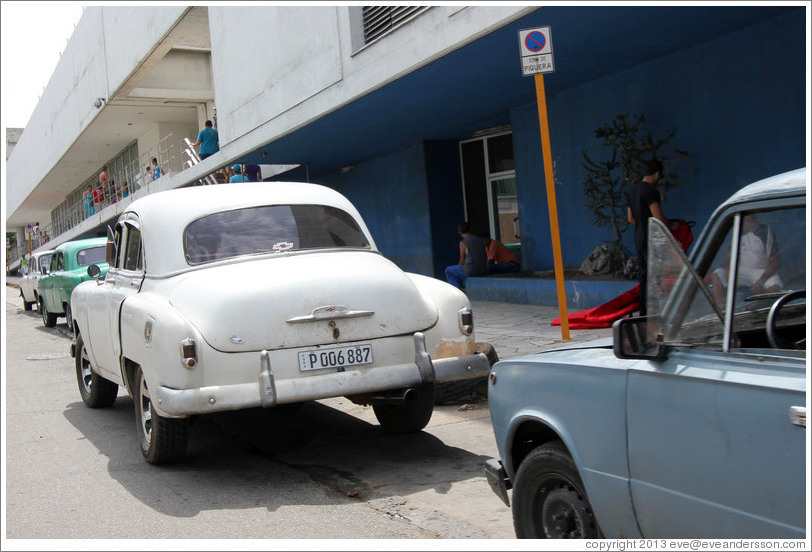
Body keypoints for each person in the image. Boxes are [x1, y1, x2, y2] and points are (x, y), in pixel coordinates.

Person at [627, 158, 675, 316]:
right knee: (655, 276)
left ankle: (644, 311)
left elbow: (630, 218)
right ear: (657, 174)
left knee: (644, 276)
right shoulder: (650, 192)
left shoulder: (633, 191)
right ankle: (653, 312)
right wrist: (672, 226)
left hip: (638, 237)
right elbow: (658, 219)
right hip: (652, 239)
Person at [711, 213, 782, 306]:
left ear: (748, 220)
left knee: (776, 285)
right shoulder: (738, 233)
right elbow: (728, 257)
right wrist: (729, 272)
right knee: (717, 274)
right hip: (741, 272)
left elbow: (776, 260)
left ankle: (752, 307)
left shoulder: (764, 231)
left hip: (761, 272)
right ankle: (720, 310)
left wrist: (760, 282)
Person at [444, 222, 487, 290]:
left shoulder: (463, 243)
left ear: (459, 232)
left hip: (471, 270)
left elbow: (462, 260)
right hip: (483, 269)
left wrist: (459, 266)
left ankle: (457, 292)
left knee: (449, 270)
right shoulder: (479, 240)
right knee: (462, 270)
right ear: (470, 229)